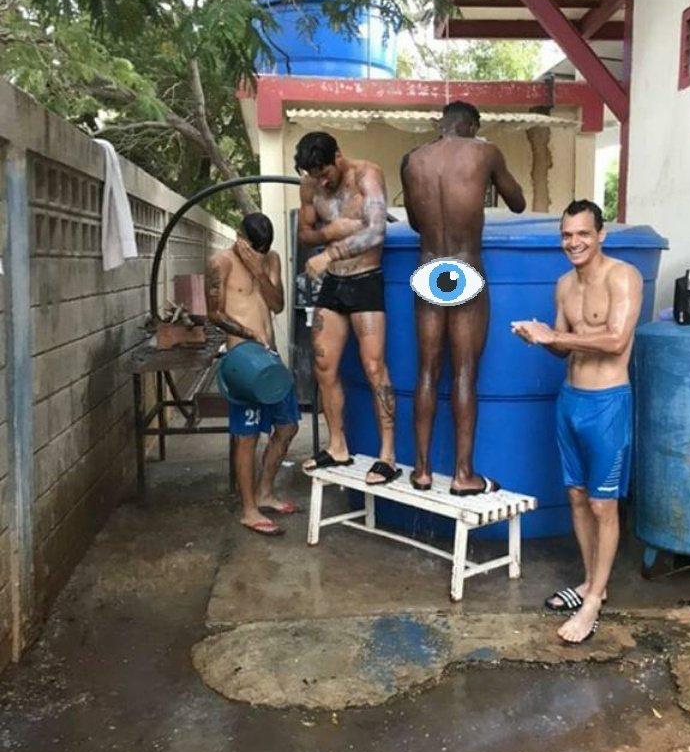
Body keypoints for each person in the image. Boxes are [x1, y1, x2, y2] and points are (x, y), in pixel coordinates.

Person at [512, 200, 642, 644]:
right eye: (567, 235)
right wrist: (538, 337)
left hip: (608, 404)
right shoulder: (564, 285)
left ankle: (592, 604)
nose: (574, 242)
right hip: (570, 399)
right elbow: (563, 347)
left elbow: (616, 339)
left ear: (600, 235)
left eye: (583, 233)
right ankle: (590, 584)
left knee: (604, 505)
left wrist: (555, 335)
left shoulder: (623, 276)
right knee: (577, 497)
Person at [400, 100, 526, 495]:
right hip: (465, 266)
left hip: (429, 267)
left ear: (442, 124)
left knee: (426, 370)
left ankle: (421, 471)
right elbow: (518, 202)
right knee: (464, 371)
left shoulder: (412, 160)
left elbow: (416, 222)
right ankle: (463, 474)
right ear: (471, 125)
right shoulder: (485, 152)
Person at [296, 131, 400, 486]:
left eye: (325, 172)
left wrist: (331, 252)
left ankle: (388, 456)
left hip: (366, 279)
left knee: (374, 367)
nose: (322, 182)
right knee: (324, 366)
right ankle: (337, 446)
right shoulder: (310, 186)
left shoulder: (366, 175)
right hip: (334, 282)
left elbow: (376, 233)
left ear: (338, 156)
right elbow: (305, 234)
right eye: (315, 176)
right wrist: (333, 231)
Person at [205, 212, 300, 537]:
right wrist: (247, 333)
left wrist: (260, 271)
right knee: (247, 437)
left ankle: (265, 492)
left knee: (287, 426)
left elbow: (278, 305)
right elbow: (214, 313)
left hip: (270, 359)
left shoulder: (270, 260)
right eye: (252, 248)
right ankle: (248, 510)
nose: (258, 254)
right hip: (244, 360)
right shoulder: (220, 263)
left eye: (263, 249)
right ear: (239, 236)